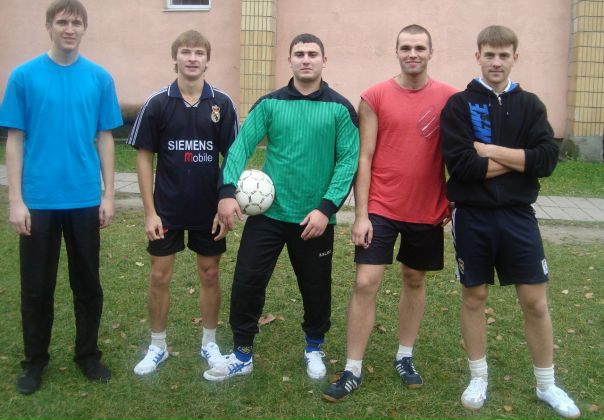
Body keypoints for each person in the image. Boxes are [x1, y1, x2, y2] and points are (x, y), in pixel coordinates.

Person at [440, 25, 580, 419]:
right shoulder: (459, 105)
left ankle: (547, 384)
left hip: (519, 216)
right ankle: (478, 377)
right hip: (472, 216)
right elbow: (463, 167)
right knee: (475, 297)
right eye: (489, 54)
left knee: (535, 301)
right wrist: (521, 160)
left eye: (504, 55)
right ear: (478, 56)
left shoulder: (530, 105)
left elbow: (547, 160)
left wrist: (490, 151)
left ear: (515, 57)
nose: (496, 62)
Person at [202, 33, 359, 382]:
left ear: (324, 60)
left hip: (314, 219)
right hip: (268, 216)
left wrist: (326, 208)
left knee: (316, 288)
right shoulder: (270, 104)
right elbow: (240, 147)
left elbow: (348, 162)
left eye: (312, 54)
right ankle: (242, 353)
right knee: (247, 281)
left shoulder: (340, 108)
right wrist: (226, 191)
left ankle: (314, 346)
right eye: (299, 54)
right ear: (290, 60)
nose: (306, 59)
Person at [322, 24, 457, 401]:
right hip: (380, 207)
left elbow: (456, 154)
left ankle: (405, 356)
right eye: (406, 47)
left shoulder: (450, 98)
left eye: (419, 48)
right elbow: (364, 157)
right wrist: (361, 214)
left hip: (426, 209)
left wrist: (453, 198)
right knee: (366, 282)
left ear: (430, 52)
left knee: (414, 279)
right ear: (396, 52)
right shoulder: (375, 96)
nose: (413, 54)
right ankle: (352, 368)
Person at [0, 0, 122, 395]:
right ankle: (34, 362)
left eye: (76, 23)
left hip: (84, 199)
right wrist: (16, 200)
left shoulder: (99, 78)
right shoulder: (24, 76)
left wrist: (109, 195)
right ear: (49, 26)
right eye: (62, 22)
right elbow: (14, 140)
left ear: (84, 28)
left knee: (88, 285)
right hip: (38, 201)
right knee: (37, 288)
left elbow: (106, 138)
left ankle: (88, 355)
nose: (70, 29)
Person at [127, 30, 239, 375]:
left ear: (208, 60)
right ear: (174, 58)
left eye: (199, 53)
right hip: (167, 210)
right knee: (159, 275)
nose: (192, 58)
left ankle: (210, 343)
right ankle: (157, 346)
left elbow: (233, 157)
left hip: (208, 210)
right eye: (186, 52)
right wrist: (149, 212)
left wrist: (225, 200)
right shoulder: (158, 103)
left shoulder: (222, 103)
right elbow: (144, 157)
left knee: (210, 273)